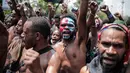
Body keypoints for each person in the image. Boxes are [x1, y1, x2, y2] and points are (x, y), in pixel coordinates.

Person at [46, 0, 89, 73]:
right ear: (59, 27)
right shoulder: (54, 48)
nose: (66, 27)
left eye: (69, 25)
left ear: (76, 28)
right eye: (63, 25)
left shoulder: (79, 42)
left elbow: (82, 16)